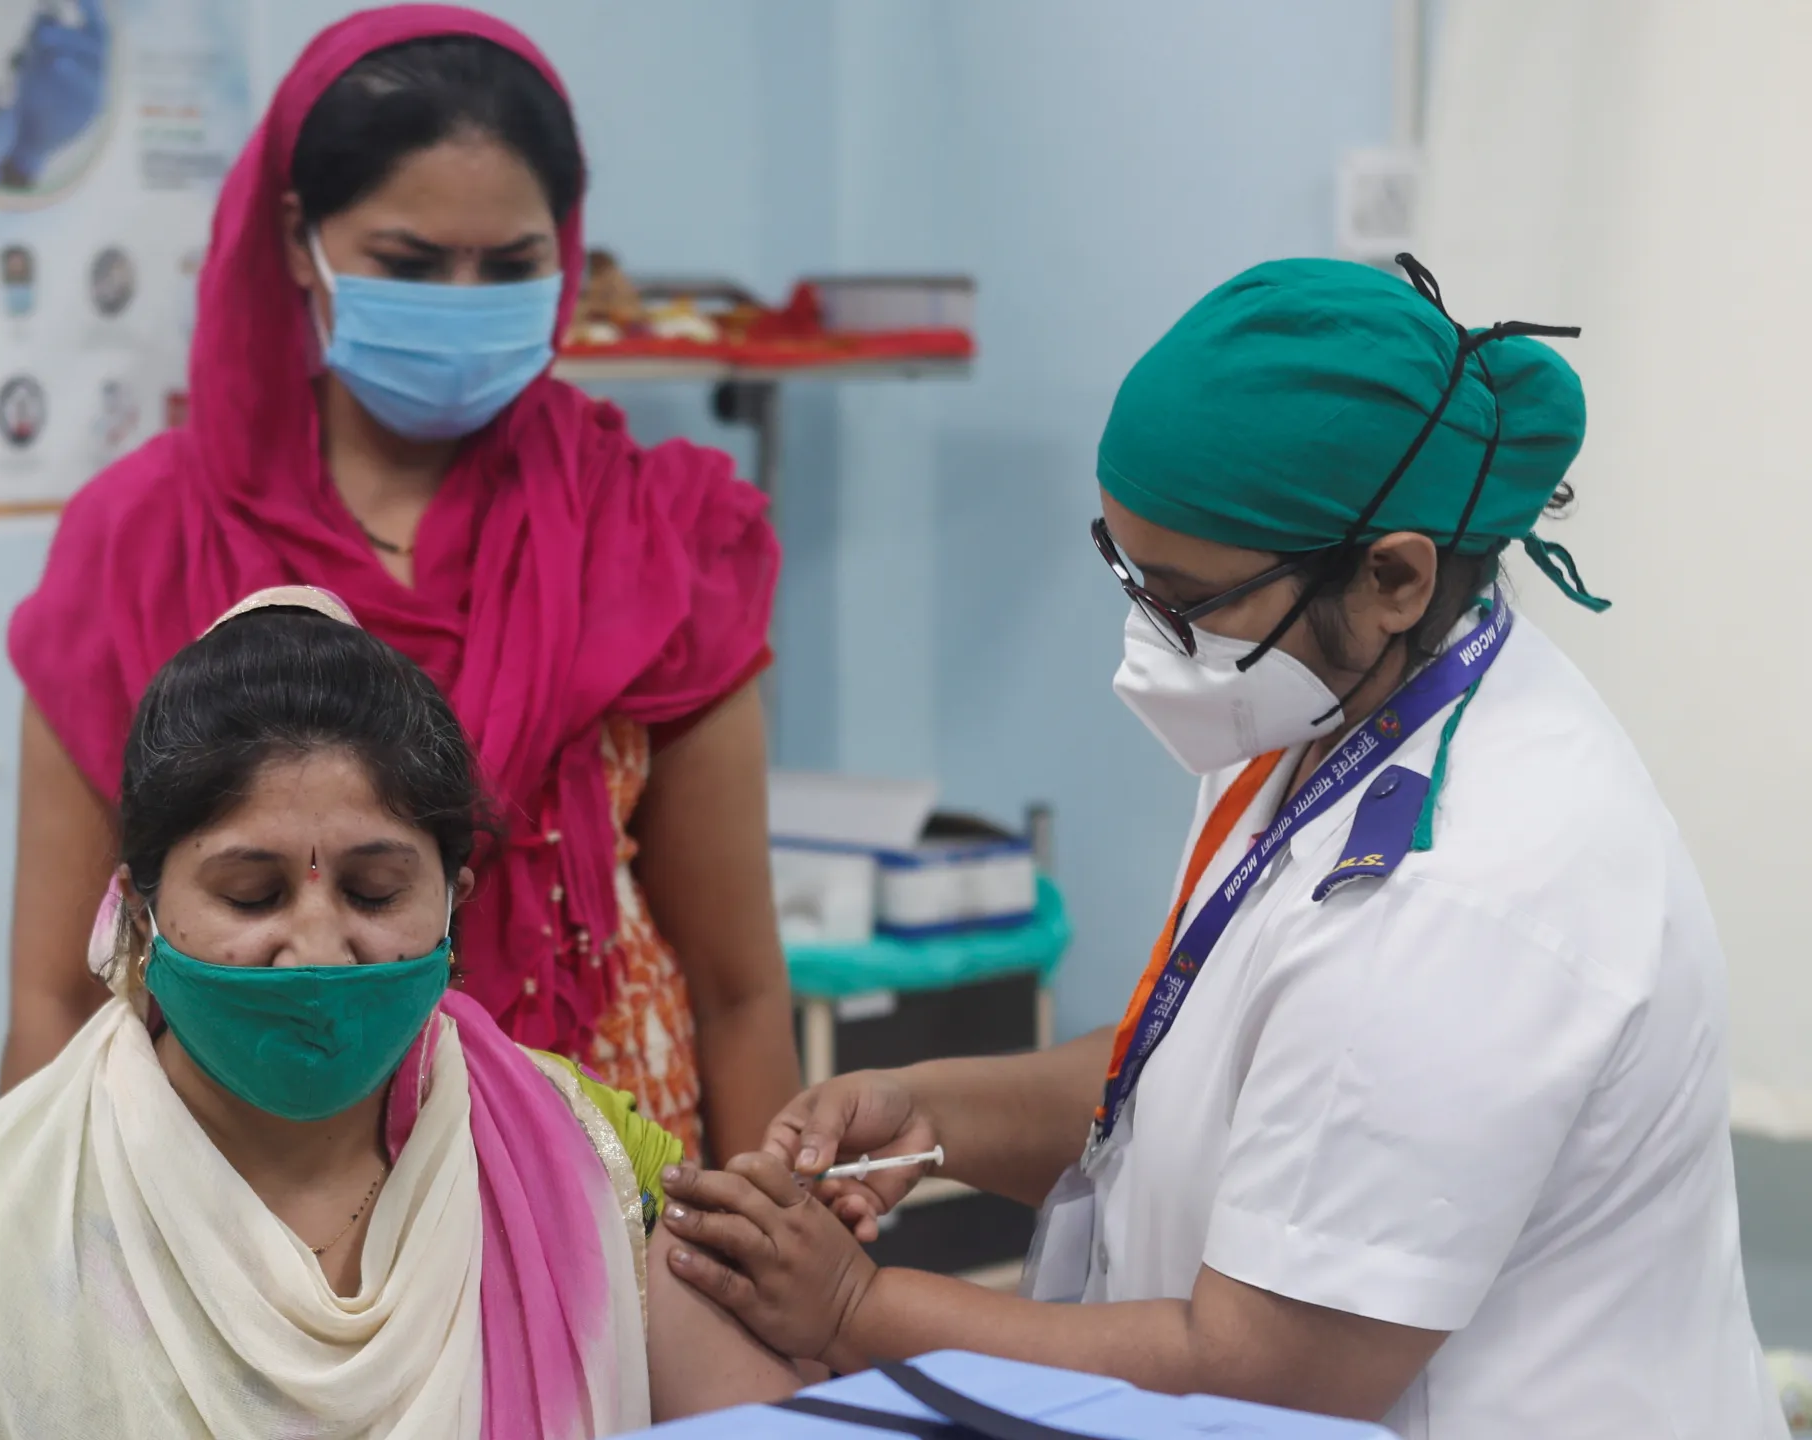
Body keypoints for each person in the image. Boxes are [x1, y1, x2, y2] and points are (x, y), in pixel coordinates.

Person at [656, 257, 1787, 1439]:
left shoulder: (1459, 899)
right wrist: (930, 1114)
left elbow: (1263, 1373)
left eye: (1185, 601)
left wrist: (856, 1308)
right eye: (1130, 575)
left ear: (1395, 576)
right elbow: (1186, 1081)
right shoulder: (1325, 702)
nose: (1150, 639)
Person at [2, 4, 797, 1161]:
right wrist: (31, 1245)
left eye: (511, 267)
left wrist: (777, 1250)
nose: (463, 301)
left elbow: (740, 991)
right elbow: (56, 997)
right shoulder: (141, 542)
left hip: (601, 1190)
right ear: (300, 241)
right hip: (233, 1202)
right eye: (411, 266)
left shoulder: (656, 530)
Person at [0, 588, 796, 1436]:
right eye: (252, 896)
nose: (318, 949)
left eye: (374, 891)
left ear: (453, 903)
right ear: (140, 908)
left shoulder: (581, 1160)